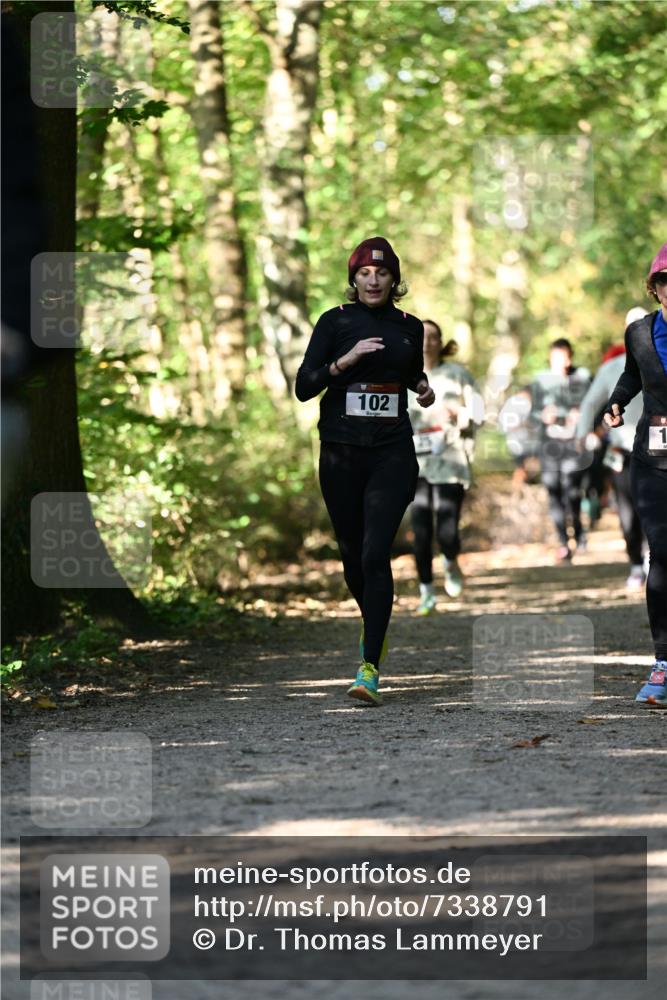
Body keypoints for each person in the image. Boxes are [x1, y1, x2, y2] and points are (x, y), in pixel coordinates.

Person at [295, 237, 435, 706]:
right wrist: (345, 361)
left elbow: (409, 372)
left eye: (383, 273)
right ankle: (373, 620)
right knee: (353, 556)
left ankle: (369, 665)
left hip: (392, 452)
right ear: (354, 279)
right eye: (365, 274)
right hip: (341, 454)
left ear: (395, 280)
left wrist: (422, 387)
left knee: (376, 552)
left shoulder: (409, 326)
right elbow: (303, 386)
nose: (373, 280)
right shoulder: (334, 322)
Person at [604, 243, 667, 707]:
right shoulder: (639, 332)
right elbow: (631, 376)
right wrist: (616, 403)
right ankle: (663, 664)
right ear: (654, 287)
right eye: (665, 281)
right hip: (653, 457)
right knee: (661, 554)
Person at [408, 322, 483, 613]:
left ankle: (450, 560)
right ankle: (426, 591)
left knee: (447, 531)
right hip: (415, 463)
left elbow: (479, 413)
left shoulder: (458, 375)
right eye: (422, 337)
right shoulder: (404, 376)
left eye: (433, 337)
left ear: (441, 342)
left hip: (451, 461)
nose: (427, 342)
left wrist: (458, 412)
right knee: (421, 529)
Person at [576, 308, 648, 589]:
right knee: (629, 512)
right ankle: (634, 563)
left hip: (660, 452)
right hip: (622, 454)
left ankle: (654, 558)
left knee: (656, 509)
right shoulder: (612, 368)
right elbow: (589, 405)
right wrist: (583, 436)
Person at [530, 339, 592, 562]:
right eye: (556, 357)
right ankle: (563, 542)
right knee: (553, 490)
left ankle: (579, 530)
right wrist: (543, 416)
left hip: (574, 443)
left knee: (572, 491)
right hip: (549, 444)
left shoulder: (583, 377)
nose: (561, 362)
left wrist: (583, 416)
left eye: (564, 357)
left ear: (571, 356)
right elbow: (532, 414)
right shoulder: (540, 380)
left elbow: (595, 404)